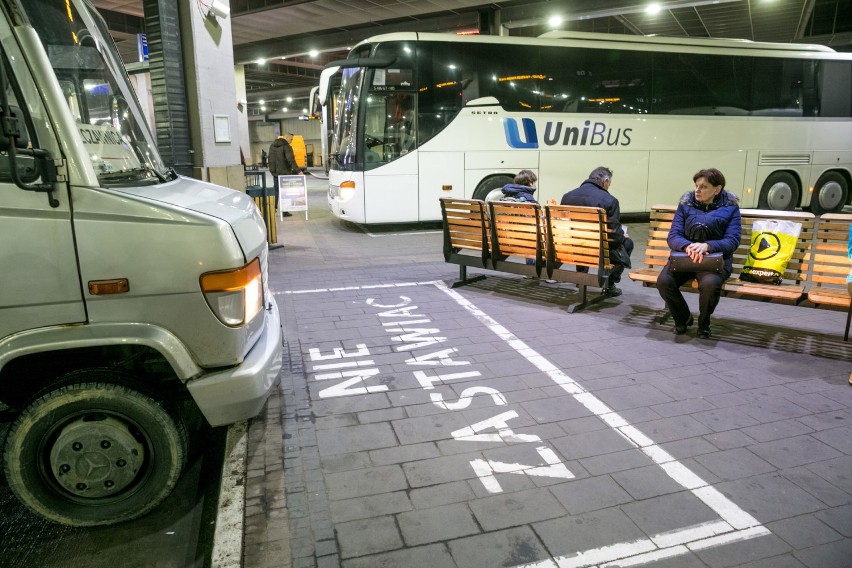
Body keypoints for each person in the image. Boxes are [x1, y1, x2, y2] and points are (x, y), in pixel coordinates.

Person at [656, 168, 741, 338]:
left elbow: (733, 240)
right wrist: (688, 246)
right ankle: (683, 318)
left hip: (714, 261)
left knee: (709, 285)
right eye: (696, 185)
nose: (697, 190)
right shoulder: (686, 205)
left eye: (703, 186)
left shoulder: (730, 208)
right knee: (664, 282)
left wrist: (707, 246)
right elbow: (673, 236)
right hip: (686, 258)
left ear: (717, 189)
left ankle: (704, 323)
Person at [560, 166, 632, 297]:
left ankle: (581, 276)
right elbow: (615, 236)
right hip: (598, 250)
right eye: (609, 183)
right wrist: (622, 236)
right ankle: (609, 284)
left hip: (572, 246)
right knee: (628, 243)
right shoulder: (610, 200)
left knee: (580, 237)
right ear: (605, 181)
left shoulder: (567, 196)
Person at [268, 133, 300, 217]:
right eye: (291, 139)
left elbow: (269, 158)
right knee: (285, 192)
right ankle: (284, 211)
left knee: (276, 190)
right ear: (286, 137)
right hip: (284, 173)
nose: (291, 141)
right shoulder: (286, 146)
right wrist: (298, 171)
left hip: (275, 172)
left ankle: (273, 209)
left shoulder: (272, 145)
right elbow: (291, 160)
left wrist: (272, 170)